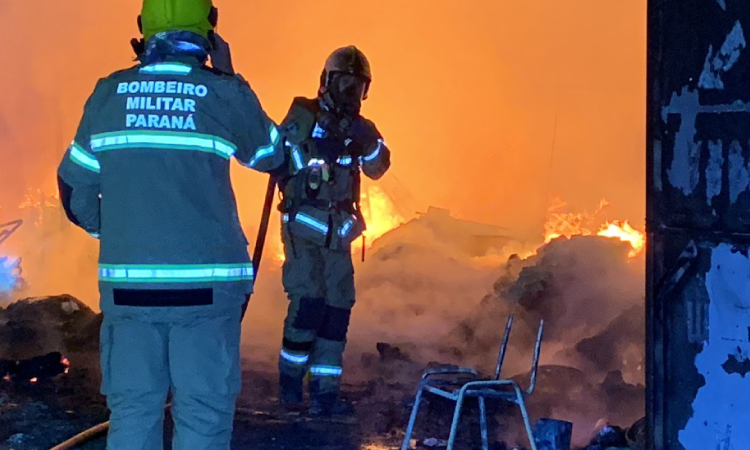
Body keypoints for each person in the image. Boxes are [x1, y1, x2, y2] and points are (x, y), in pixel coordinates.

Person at [56, 1, 283, 448]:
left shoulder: (108, 94)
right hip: (206, 295)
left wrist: (117, 231)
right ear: (209, 31)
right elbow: (271, 154)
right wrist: (232, 77)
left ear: (143, 29)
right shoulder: (221, 92)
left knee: (134, 412)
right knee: (202, 415)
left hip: (129, 294)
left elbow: (73, 189)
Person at [275, 46, 391, 415]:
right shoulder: (304, 115)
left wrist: (367, 141)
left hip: (339, 234)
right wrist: (317, 146)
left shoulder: (362, 129)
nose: (350, 93)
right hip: (304, 229)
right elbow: (278, 159)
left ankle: (325, 393)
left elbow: (378, 168)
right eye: (344, 83)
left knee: (338, 309)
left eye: (357, 86)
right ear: (326, 81)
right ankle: (290, 384)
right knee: (308, 304)